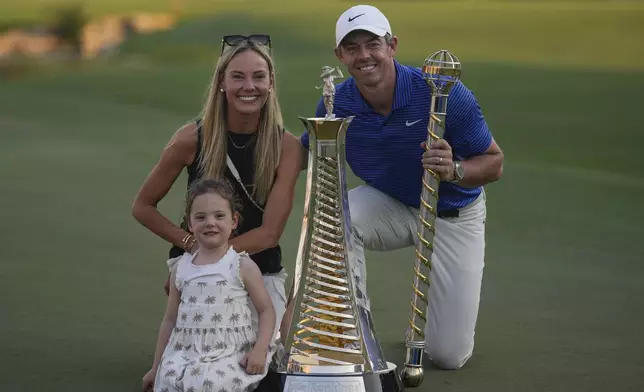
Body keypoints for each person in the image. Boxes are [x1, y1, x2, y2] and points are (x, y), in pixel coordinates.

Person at [288, 5, 504, 370]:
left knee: (448, 355)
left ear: (392, 46)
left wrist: (452, 168)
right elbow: (303, 153)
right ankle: (352, 331)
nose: (364, 55)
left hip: (451, 211)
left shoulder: (443, 93)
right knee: (336, 218)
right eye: (352, 47)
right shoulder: (336, 103)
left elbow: (494, 163)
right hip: (391, 203)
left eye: (372, 44)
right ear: (340, 56)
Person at [132, 34, 302, 386]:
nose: (248, 86)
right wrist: (192, 253)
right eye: (237, 76)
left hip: (259, 266)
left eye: (258, 76)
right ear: (222, 83)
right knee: (208, 362)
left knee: (261, 363)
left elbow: (270, 234)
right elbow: (143, 206)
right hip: (198, 259)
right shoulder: (190, 138)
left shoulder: (287, 147)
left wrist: (218, 257)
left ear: (271, 83)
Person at [142, 178, 277, 392]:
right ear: (190, 223)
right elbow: (169, 320)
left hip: (227, 352)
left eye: (219, 216)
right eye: (201, 217)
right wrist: (156, 366)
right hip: (185, 351)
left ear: (233, 221)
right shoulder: (181, 268)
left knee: (208, 384)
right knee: (168, 380)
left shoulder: (241, 265)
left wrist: (260, 349)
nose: (210, 222)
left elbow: (266, 310)